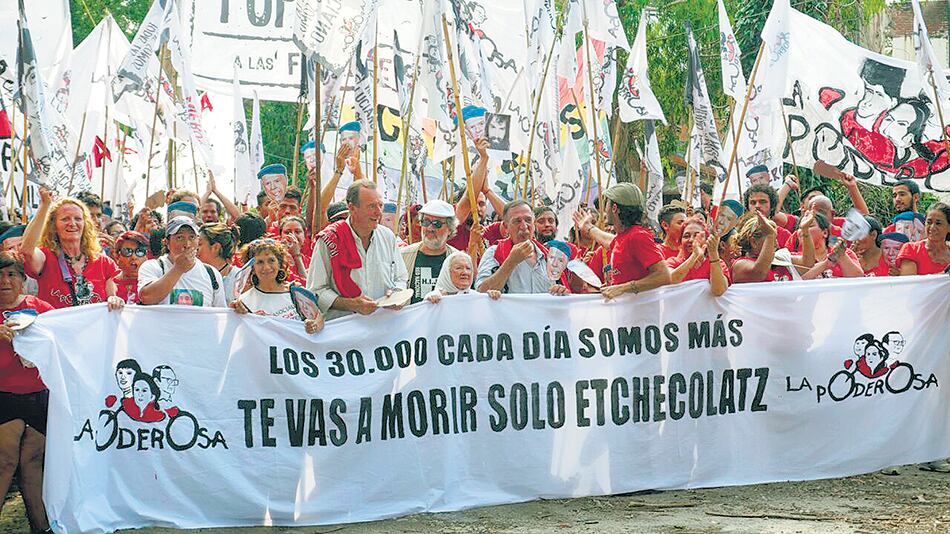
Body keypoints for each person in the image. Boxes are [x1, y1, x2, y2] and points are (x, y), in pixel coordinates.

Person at [0, 252, 55, 533]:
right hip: (4, 395)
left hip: (39, 395)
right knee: (5, 462)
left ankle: (40, 527)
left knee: (33, 463)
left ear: (23, 280)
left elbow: (64, 333)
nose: (5, 281)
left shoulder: (39, 307)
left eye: (11, 275)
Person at [308, 180, 408, 320]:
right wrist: (351, 304)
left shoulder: (388, 237)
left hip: (383, 325)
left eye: (380, 205)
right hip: (345, 328)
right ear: (352, 208)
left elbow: (401, 278)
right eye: (371, 206)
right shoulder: (329, 240)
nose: (379, 212)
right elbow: (316, 290)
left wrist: (396, 293)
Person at [19, 188, 124, 310]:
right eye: (65, 219)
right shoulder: (46, 258)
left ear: (85, 224)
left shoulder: (104, 263)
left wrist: (114, 300)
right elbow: (26, 250)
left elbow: (114, 297)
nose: (72, 224)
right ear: (53, 226)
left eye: (78, 219)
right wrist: (45, 206)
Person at [593, 183, 671, 300]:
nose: (605, 209)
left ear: (614, 208)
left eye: (607, 203)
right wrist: (614, 286)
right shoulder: (622, 236)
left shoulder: (638, 236)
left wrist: (622, 288)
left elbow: (664, 276)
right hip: (627, 310)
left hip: (642, 311)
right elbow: (607, 240)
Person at [475, 200, 569, 295]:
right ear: (506, 227)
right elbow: (481, 293)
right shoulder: (494, 253)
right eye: (517, 221)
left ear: (534, 224)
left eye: (528, 220)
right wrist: (511, 262)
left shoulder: (549, 256)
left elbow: (562, 292)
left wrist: (559, 291)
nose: (524, 226)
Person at [231, 240, 324, 334]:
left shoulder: (296, 292)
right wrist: (241, 314)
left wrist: (314, 325)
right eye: (260, 262)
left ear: (279, 263)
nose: (266, 267)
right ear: (252, 268)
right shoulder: (244, 301)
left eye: (271, 261)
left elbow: (318, 318)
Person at [138, 216, 226, 307]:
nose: (187, 245)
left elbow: (220, 312)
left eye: (192, 237)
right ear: (166, 242)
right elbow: (146, 297)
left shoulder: (212, 274)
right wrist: (178, 269)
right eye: (180, 238)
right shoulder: (153, 267)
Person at [731, 210, 816, 283]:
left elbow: (807, 264)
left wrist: (805, 230)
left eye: (775, 238)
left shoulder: (780, 258)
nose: (776, 243)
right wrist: (770, 236)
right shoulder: (740, 265)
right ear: (754, 242)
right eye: (770, 240)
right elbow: (760, 273)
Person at [400, 199, 459, 303]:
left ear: (450, 229)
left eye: (437, 224)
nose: (430, 228)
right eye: (426, 222)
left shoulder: (458, 260)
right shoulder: (403, 256)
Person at [666, 219, 729, 296]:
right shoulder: (673, 262)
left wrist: (713, 253)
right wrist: (694, 256)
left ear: (706, 240)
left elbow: (719, 291)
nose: (691, 240)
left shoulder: (717, 263)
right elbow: (669, 282)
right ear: (680, 241)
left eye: (697, 235)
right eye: (686, 236)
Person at [800, 212, 863, 279]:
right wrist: (826, 263)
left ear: (825, 233)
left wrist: (842, 256)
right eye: (800, 228)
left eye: (809, 226)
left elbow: (858, 278)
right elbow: (799, 281)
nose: (802, 231)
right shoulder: (797, 258)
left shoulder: (846, 253)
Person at [897, 202, 950, 275]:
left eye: (938, 223)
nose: (932, 227)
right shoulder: (911, 249)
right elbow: (909, 280)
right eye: (929, 222)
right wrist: (943, 275)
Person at [426, 251, 501, 303]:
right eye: (459, 268)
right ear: (447, 272)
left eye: (468, 268)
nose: (465, 272)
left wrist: (491, 299)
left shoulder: (478, 298)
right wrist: (431, 302)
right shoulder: (434, 297)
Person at [197, 223, 241, 302]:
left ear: (216, 247)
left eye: (199, 244)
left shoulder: (239, 278)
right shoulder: (193, 274)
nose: (194, 248)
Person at [112, 231, 150, 305]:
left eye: (140, 251)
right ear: (117, 256)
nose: (134, 257)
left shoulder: (153, 284)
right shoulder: (109, 284)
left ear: (146, 256)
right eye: (127, 252)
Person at [278, 215, 311, 283]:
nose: (293, 236)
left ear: (304, 235)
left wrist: (296, 256)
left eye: (297, 232)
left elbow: (308, 285)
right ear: (281, 236)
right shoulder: (275, 259)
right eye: (287, 232)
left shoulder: (311, 261)